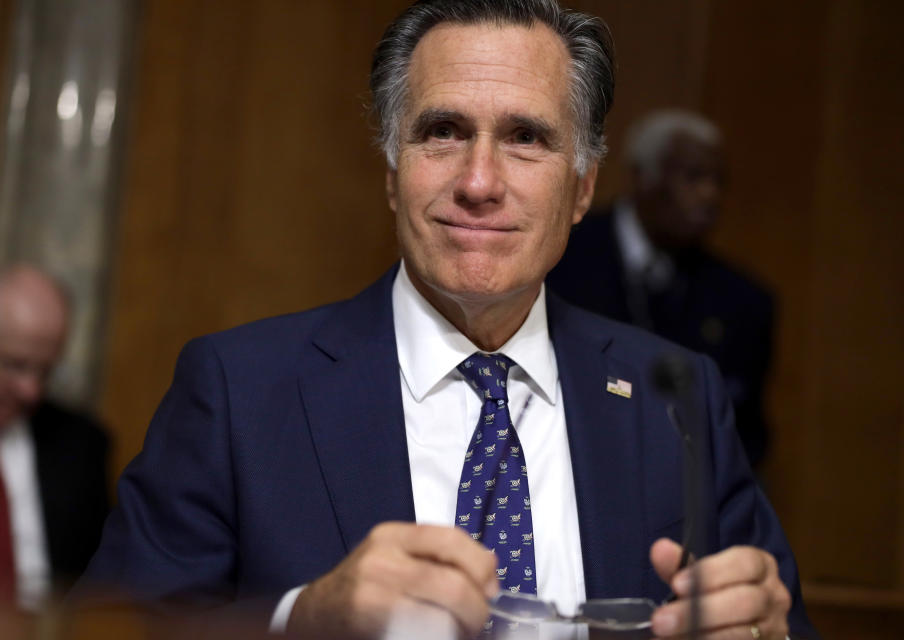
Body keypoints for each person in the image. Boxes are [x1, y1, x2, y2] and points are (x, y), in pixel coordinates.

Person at [78, 1, 817, 638]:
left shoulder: (675, 397)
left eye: (526, 137)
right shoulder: (239, 393)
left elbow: (773, 620)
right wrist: (300, 621)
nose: (479, 182)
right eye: (443, 132)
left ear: (584, 187)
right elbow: (110, 629)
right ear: (394, 174)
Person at [547, 110, 774, 469]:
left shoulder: (743, 302)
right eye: (693, 177)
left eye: (719, 181)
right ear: (642, 178)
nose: (709, 195)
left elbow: (744, 437)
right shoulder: (560, 258)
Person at [0, 264, 110, 610]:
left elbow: (96, 586)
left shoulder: (81, 445)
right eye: (15, 364)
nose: (31, 391)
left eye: (46, 370)